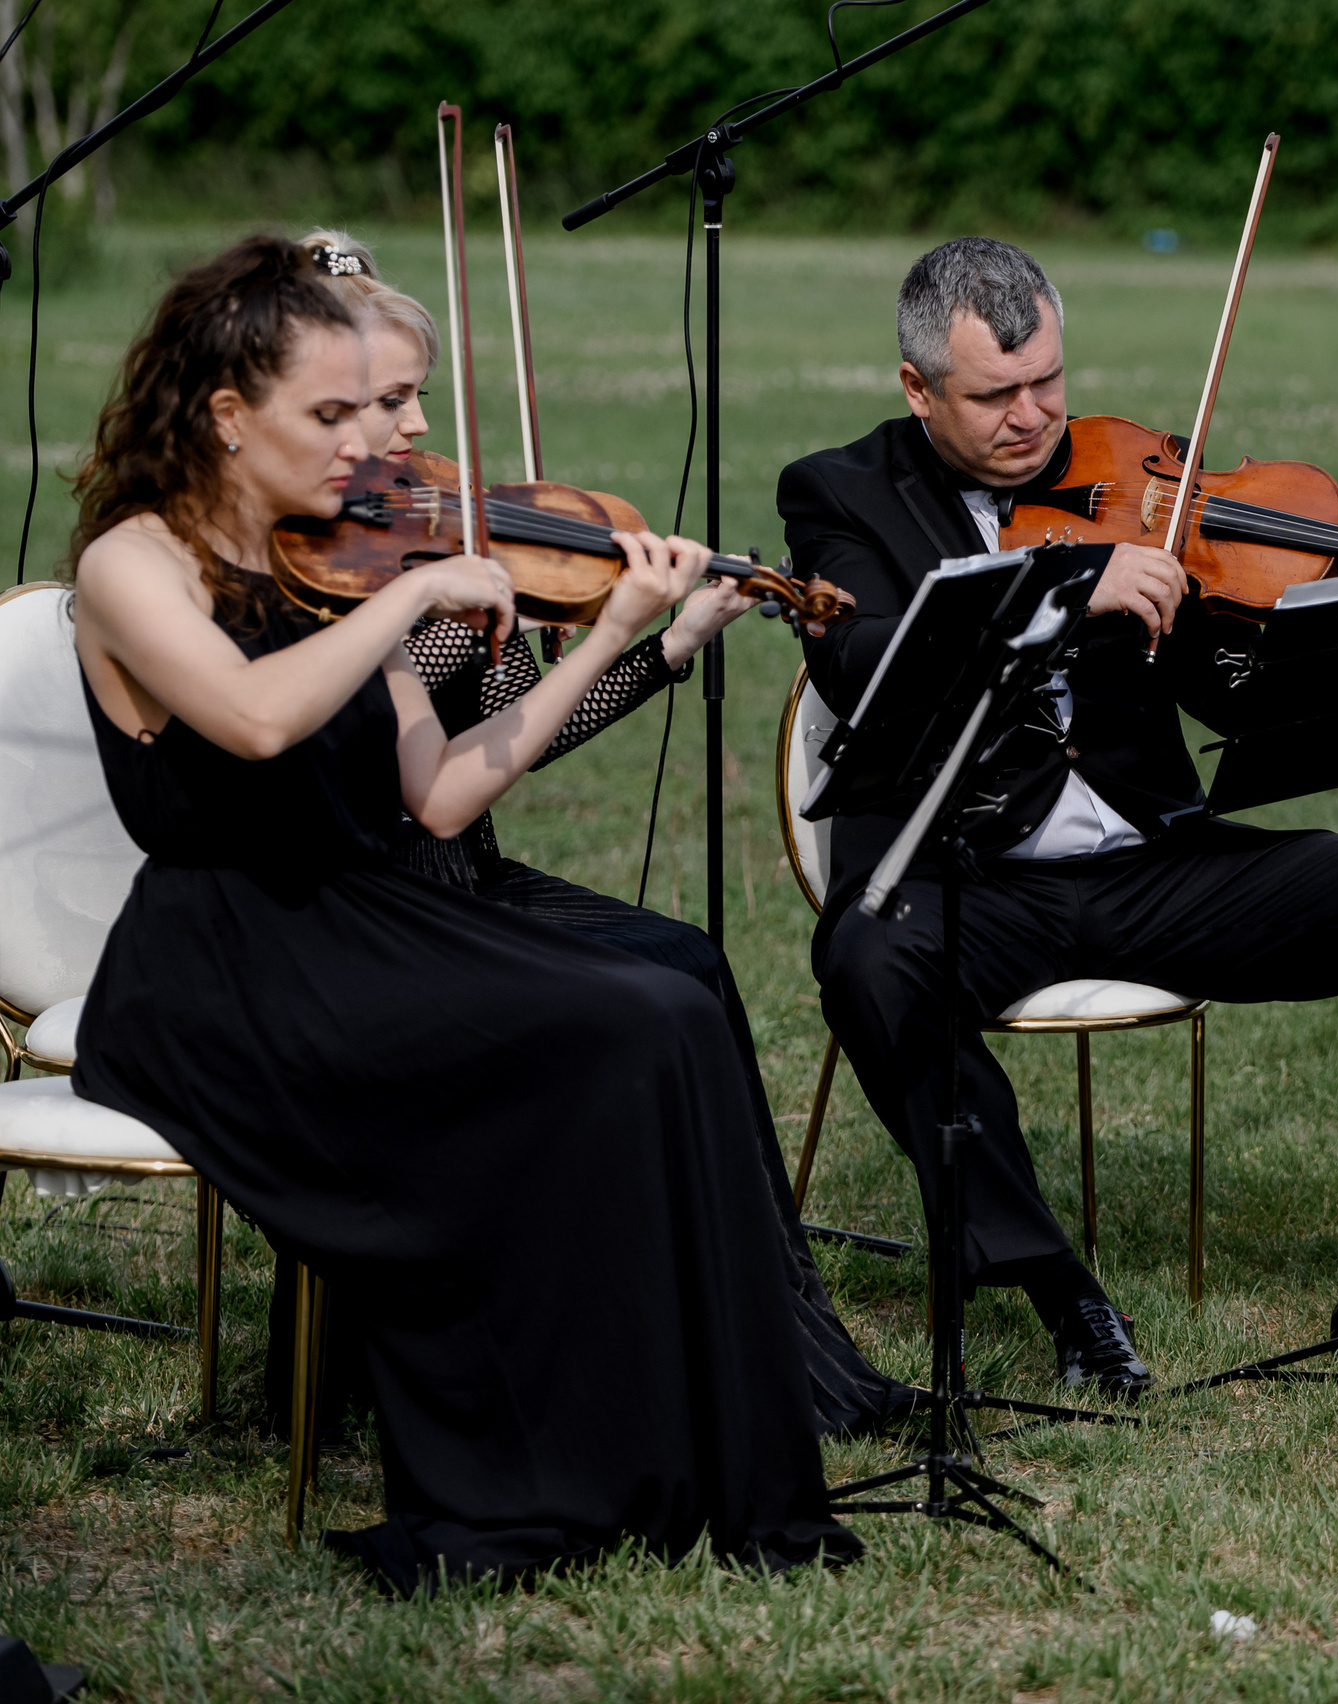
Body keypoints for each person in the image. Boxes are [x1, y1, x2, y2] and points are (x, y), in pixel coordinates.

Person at [65, 235, 859, 1593]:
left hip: (366, 915)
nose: (368, 445)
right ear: (226, 414)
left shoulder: (334, 559)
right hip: (228, 959)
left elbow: (438, 793)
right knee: (617, 1026)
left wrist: (614, 637)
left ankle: (678, 1444)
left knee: (665, 1006)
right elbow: (253, 721)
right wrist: (420, 597)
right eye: (332, 413)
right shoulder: (135, 563)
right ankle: (548, 1456)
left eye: (370, 410)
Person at [779, 238, 1338, 1394]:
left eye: (1048, 381)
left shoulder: (1141, 485)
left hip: (1151, 866)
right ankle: (1061, 1292)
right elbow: (861, 660)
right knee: (866, 959)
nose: (1032, 417)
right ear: (917, 388)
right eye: (993, 396)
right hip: (963, 876)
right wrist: (1063, 588)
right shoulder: (839, 492)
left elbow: (1240, 697)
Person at [287, 231, 916, 1439]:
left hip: (456, 876)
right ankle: (683, 1356)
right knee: (659, 990)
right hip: (380, 901)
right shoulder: (330, 575)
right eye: (390, 401)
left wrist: (664, 645)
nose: (420, 429)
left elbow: (509, 740)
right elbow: (434, 791)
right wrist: (586, 627)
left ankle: (781, 1352)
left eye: (417, 395)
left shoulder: (420, 548)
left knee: (691, 961)